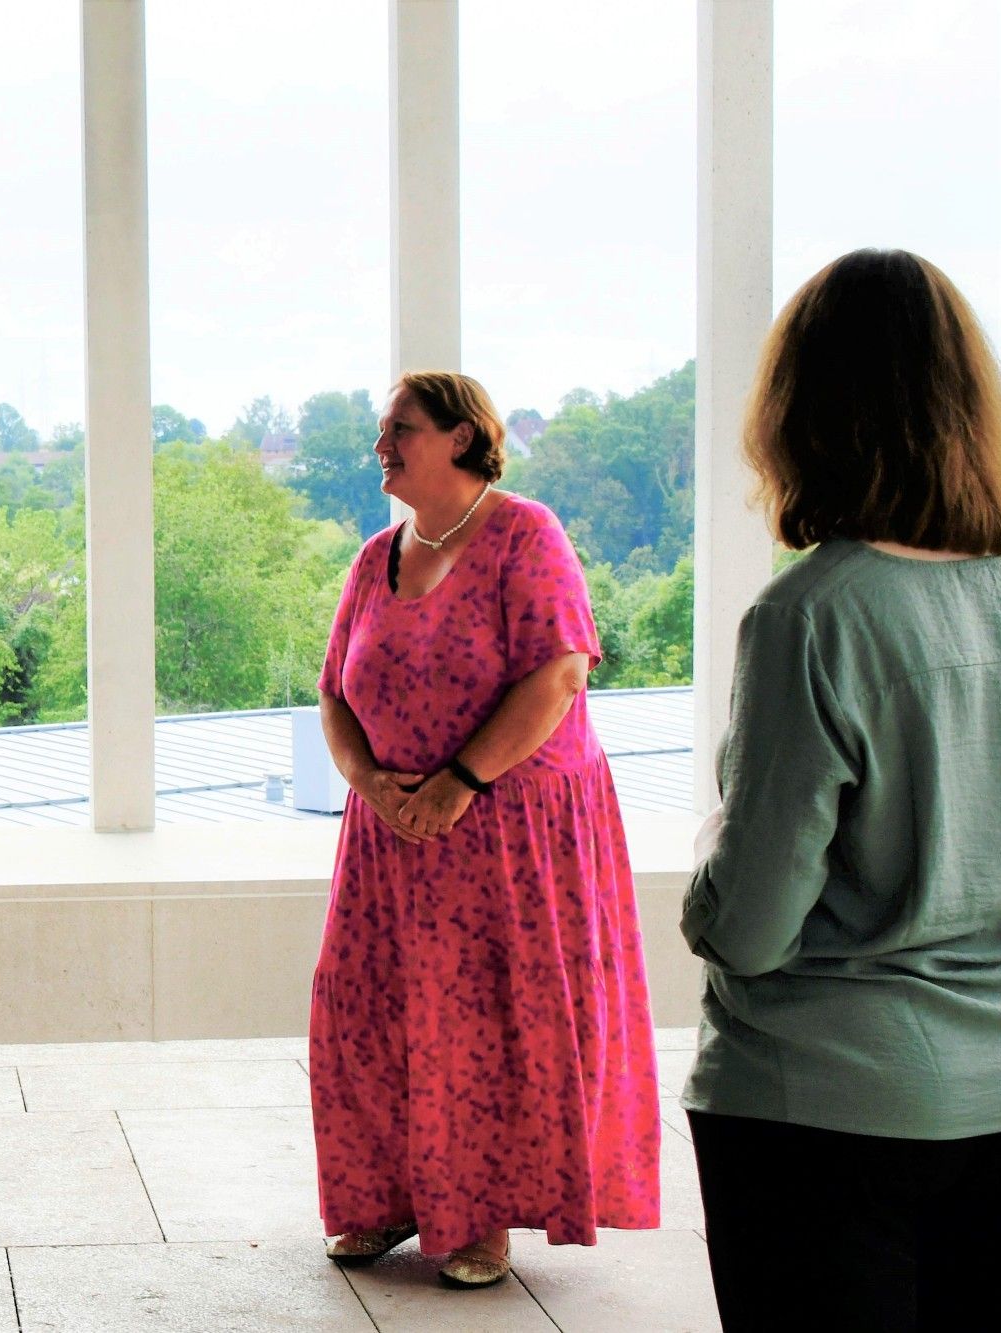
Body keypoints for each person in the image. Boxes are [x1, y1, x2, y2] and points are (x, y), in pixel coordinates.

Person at [681, 249, 1001, 1332]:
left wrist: (707, 859)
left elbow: (749, 927)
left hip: (817, 1103)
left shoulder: (812, 616)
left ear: (799, 409)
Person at [307, 371, 660, 1287]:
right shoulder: (373, 556)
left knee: (484, 1024)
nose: (382, 444)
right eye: (381, 430)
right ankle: (387, 1199)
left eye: (402, 429)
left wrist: (461, 780)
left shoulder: (525, 533)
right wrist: (370, 782)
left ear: (463, 438)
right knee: (367, 1012)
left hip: (504, 832)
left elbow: (560, 674)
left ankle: (478, 1223)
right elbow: (334, 694)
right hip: (389, 839)